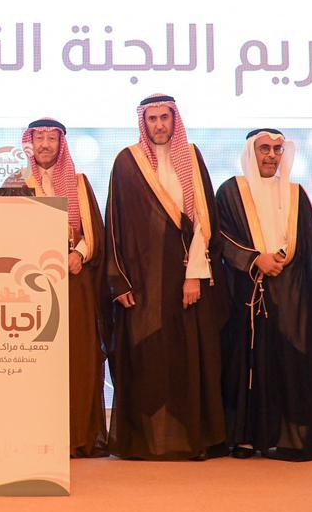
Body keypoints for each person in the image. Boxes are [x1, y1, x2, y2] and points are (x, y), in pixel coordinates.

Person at [104, 94, 230, 460]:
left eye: (165, 117)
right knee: (148, 360)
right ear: (143, 122)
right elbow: (115, 224)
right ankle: (147, 442)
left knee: (185, 360)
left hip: (185, 281)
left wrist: (194, 276)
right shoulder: (127, 161)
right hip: (142, 285)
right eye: (152, 118)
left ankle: (187, 440)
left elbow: (203, 223)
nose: (159, 125)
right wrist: (119, 280)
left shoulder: (190, 156)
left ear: (175, 120)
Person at [216, 128, 312, 461]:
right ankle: (246, 438)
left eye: (277, 149)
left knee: (291, 362)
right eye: (264, 148)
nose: (271, 155)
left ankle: (290, 437)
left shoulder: (296, 194)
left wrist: (285, 266)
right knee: (248, 364)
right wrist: (256, 260)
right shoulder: (231, 191)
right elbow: (222, 238)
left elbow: (310, 246)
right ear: (251, 153)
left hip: (292, 294)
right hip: (247, 293)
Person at [21, 118, 109, 458]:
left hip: (74, 283)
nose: (45, 144)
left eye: (51, 138)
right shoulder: (17, 183)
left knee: (77, 360)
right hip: (30, 287)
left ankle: (76, 437)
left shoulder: (79, 182)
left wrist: (79, 254)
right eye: (39, 138)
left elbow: (94, 231)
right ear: (30, 143)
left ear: (61, 144)